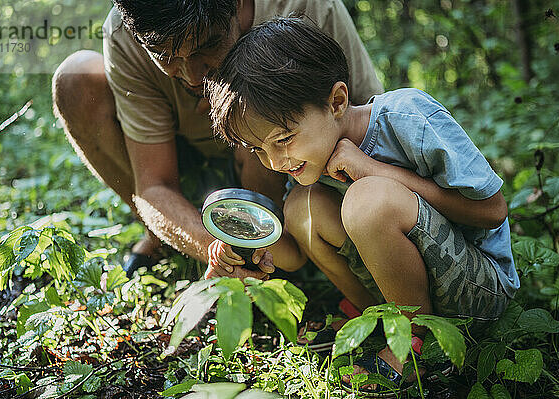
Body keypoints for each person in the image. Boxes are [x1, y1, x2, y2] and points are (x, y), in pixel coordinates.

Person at [206, 17, 519, 394]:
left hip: (478, 288)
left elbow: (492, 211)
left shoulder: (406, 116)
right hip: (413, 288)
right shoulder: (310, 161)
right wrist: (239, 251)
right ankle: (377, 319)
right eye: (259, 150)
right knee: (301, 207)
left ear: (337, 101)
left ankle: (411, 343)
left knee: (367, 200)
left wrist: (374, 171)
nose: (274, 162)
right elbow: (293, 254)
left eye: (284, 139)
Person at [51, 0, 383, 279]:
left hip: (285, 171)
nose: (194, 76)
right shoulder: (129, 31)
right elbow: (154, 186)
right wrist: (217, 249)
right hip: (186, 162)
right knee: (76, 78)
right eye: (166, 56)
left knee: (260, 121)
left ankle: (280, 251)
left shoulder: (305, 6)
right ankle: (171, 236)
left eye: (206, 47)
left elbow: (365, 120)